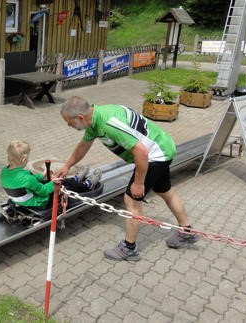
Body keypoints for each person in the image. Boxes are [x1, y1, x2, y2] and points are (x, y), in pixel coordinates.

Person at [56, 96, 198, 261]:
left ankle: (129, 248)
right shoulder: (95, 118)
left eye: (69, 122)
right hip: (163, 146)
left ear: (80, 117)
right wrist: (67, 166)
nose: (69, 126)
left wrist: (138, 183)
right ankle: (186, 232)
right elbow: (84, 145)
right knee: (164, 190)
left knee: (131, 199)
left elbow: (141, 152)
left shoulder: (108, 123)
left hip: (154, 154)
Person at [0, 139, 101, 210]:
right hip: (38, 203)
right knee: (63, 183)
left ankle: (76, 180)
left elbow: (28, 180)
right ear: (24, 159)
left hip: (22, 201)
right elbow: (43, 192)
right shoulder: (26, 179)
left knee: (49, 181)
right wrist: (53, 182)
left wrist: (43, 175)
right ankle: (87, 185)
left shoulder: (4, 172)